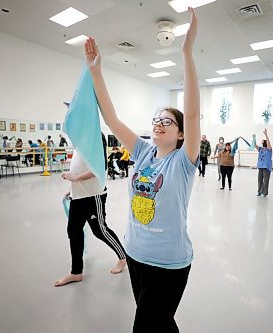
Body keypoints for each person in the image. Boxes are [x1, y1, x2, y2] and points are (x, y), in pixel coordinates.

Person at [84, 7, 199, 332]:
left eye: (167, 121)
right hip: (136, 255)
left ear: (179, 134)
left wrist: (186, 53)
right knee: (159, 323)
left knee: (144, 326)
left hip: (169, 263)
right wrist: (96, 73)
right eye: (156, 120)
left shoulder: (183, 161)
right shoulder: (144, 152)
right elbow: (112, 120)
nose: (159, 124)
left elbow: (192, 116)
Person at [55, 139, 127, 287]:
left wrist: (75, 178)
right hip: (78, 196)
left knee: (99, 230)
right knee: (74, 231)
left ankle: (123, 257)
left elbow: (98, 168)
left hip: (93, 196)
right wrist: (72, 187)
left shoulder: (94, 137)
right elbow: (78, 167)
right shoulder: (79, 143)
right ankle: (76, 272)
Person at [254, 129, 272, 197]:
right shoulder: (260, 149)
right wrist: (254, 138)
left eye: (262, 142)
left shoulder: (269, 150)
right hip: (260, 167)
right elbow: (255, 145)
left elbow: (269, 143)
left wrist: (266, 135)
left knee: (266, 181)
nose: (261, 143)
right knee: (260, 180)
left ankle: (264, 193)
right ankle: (259, 192)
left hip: (266, 167)